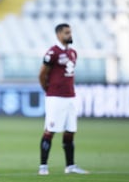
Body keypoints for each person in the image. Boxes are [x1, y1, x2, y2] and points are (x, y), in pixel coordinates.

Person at [37, 23, 89, 175]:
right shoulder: (52, 52)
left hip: (70, 97)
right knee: (50, 130)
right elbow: (42, 74)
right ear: (59, 34)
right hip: (55, 98)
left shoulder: (73, 53)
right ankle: (43, 167)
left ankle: (70, 166)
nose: (69, 35)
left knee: (70, 131)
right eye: (67, 33)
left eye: (70, 32)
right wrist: (48, 89)